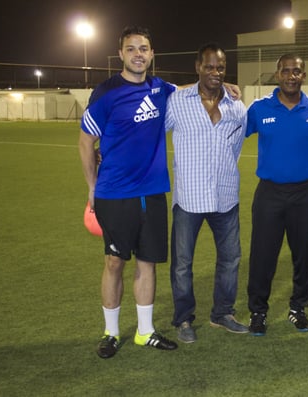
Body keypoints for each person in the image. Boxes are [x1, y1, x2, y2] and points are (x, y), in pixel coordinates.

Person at [79, 26, 178, 358]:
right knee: (114, 262)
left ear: (151, 54)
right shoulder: (105, 93)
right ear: (120, 54)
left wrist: (227, 86)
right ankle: (111, 332)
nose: (139, 54)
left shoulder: (162, 88)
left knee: (148, 262)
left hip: (152, 192)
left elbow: (195, 89)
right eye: (132, 48)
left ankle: (145, 331)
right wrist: (92, 188)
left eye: (145, 48)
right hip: (115, 193)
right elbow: (85, 142)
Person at [246, 53, 308, 336]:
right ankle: (258, 312)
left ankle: (298, 308)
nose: (291, 76)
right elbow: (232, 132)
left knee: (305, 255)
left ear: (303, 75)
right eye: (286, 71)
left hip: (306, 194)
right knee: (262, 256)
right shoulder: (259, 108)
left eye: (296, 71)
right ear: (277, 74)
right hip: (269, 194)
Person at [165, 43, 248, 343]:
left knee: (230, 259)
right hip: (189, 197)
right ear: (198, 67)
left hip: (225, 196)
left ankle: (223, 313)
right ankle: (184, 319)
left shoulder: (236, 106)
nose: (215, 72)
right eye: (210, 66)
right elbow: (150, 134)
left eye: (221, 67)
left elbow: (235, 147)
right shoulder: (177, 102)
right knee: (183, 264)